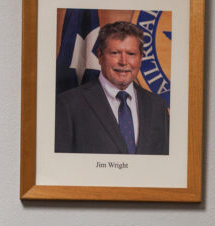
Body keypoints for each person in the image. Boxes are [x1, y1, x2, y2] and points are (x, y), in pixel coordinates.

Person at [55, 21, 169, 155]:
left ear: (141, 58)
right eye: (115, 53)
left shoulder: (158, 106)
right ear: (100, 56)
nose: (123, 62)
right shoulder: (69, 105)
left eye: (131, 54)